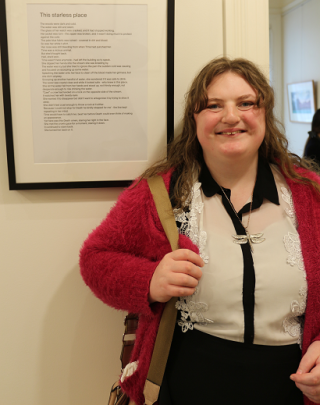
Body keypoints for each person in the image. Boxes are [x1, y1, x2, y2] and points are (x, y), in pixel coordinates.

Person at [79, 57, 320, 405]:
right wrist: (149, 281)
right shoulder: (162, 193)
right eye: (213, 105)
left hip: (287, 388)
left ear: (264, 113)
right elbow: (95, 259)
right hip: (187, 385)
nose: (231, 116)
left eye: (246, 103)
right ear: (194, 119)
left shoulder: (310, 195)